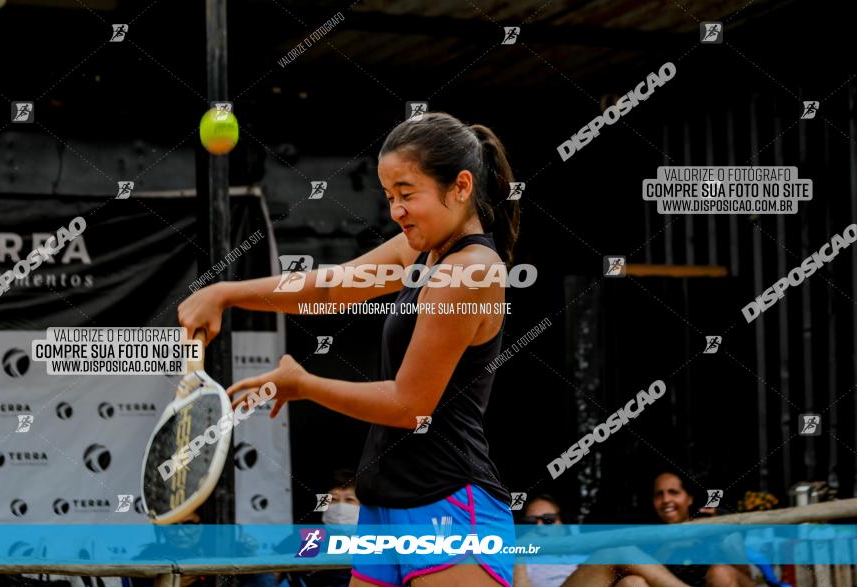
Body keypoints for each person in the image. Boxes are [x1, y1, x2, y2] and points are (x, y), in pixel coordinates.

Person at [178, 111, 521, 586]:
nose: (395, 210)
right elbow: (330, 289)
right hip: (385, 502)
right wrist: (225, 292)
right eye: (388, 196)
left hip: (448, 503)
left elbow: (408, 404)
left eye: (407, 194)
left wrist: (304, 385)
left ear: (460, 186)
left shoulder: (472, 270)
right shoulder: (421, 252)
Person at [564, 473, 756, 587]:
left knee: (721, 572)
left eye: (673, 492)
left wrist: (724, 533)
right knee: (632, 583)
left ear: (689, 498)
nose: (666, 500)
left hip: (722, 578)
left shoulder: (712, 526)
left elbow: (745, 579)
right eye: (659, 494)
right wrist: (670, 545)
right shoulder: (647, 537)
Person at [513, 495, 584, 587]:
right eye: (530, 521)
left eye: (548, 520)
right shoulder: (519, 560)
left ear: (564, 525)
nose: (539, 526)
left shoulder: (583, 557)